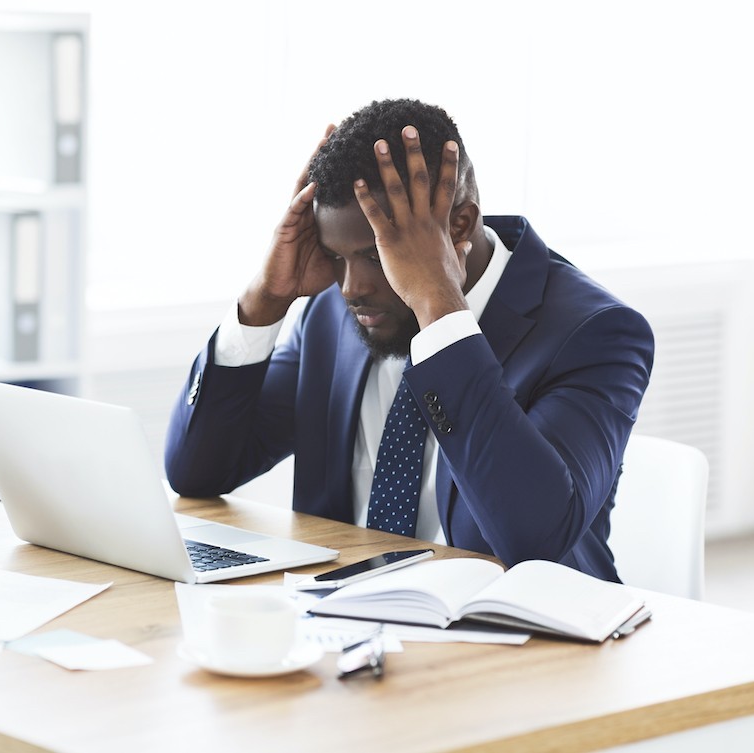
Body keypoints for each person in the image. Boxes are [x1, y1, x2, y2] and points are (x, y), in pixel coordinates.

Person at [163, 98, 653, 581]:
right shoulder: (334, 312)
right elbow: (197, 474)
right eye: (337, 256)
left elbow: (534, 539)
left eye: (377, 255)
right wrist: (265, 300)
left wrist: (440, 312)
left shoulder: (596, 333)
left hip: (522, 637)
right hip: (342, 622)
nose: (351, 287)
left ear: (459, 226)